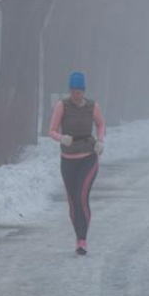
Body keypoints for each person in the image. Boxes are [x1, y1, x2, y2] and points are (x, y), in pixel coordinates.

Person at [48, 71, 105, 256]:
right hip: (68, 160)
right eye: (73, 91)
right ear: (69, 90)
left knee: (82, 196)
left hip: (88, 157)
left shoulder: (92, 106)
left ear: (83, 91)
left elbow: (101, 124)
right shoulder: (62, 106)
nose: (75, 95)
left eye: (79, 92)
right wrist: (61, 138)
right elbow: (52, 130)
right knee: (73, 202)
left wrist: (100, 141)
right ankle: (78, 237)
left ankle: (83, 239)